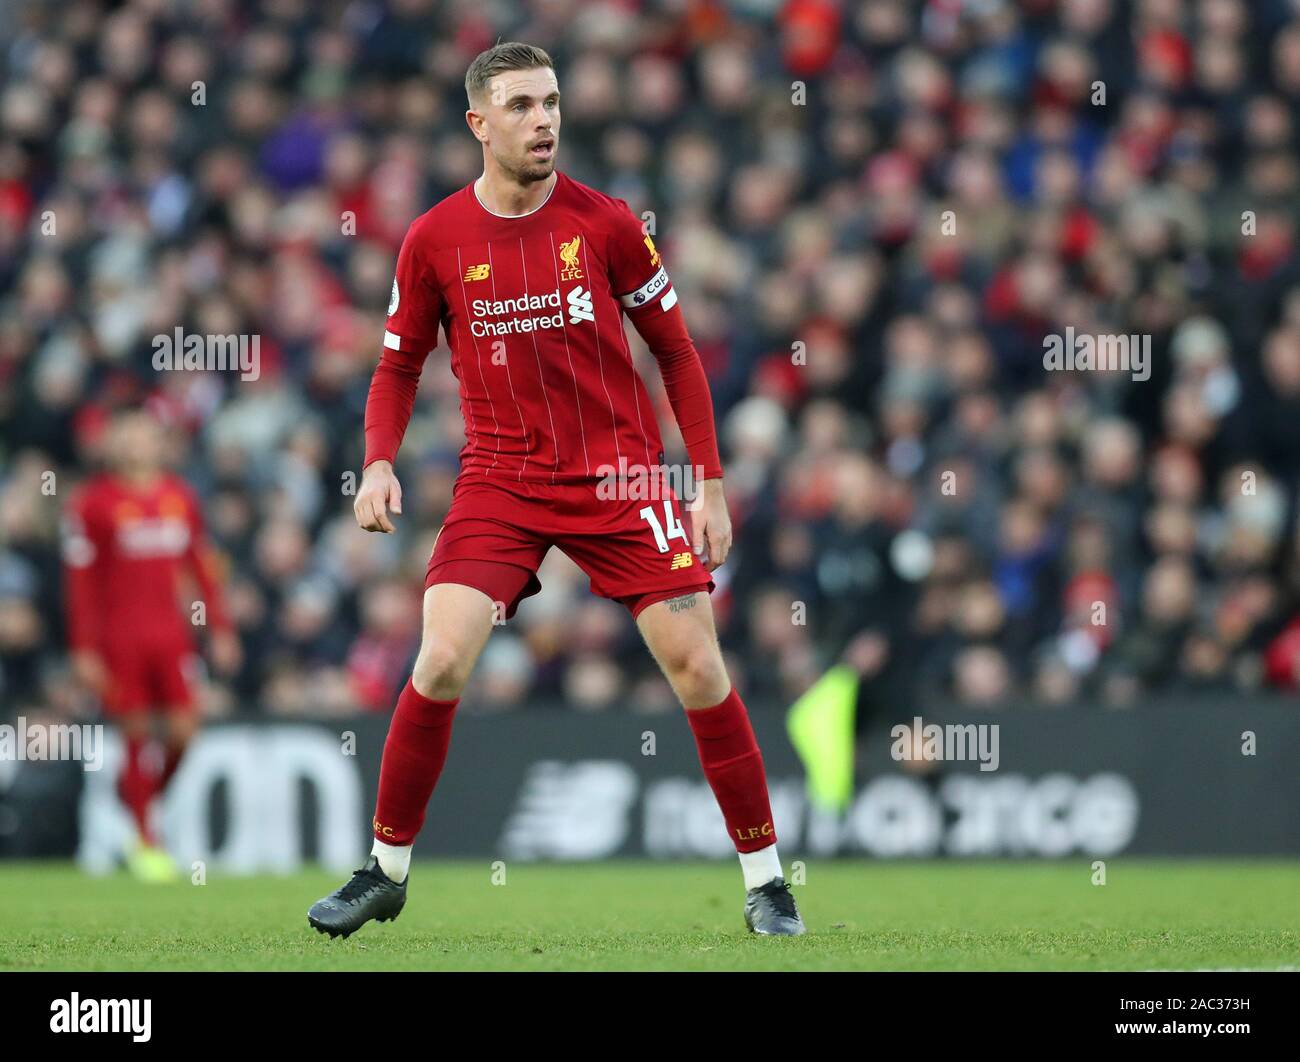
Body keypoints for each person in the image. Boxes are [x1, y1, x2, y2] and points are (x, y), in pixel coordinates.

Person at [308, 42, 803, 937]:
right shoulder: (434, 239)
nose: (545, 120)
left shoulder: (607, 223)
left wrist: (711, 482)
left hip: (620, 474)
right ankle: (385, 869)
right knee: (442, 657)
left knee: (697, 667)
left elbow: (679, 353)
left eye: (552, 102)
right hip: (501, 477)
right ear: (479, 123)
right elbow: (396, 363)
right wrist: (378, 459)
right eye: (524, 105)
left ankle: (767, 881)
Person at [62, 410, 241, 880]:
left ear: (159, 443)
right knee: (137, 734)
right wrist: (83, 648)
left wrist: (219, 627)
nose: (137, 444)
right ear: (114, 445)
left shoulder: (178, 497)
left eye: (145, 435)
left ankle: (136, 799)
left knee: (184, 732)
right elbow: (80, 583)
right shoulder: (92, 504)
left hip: (172, 636)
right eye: (128, 436)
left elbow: (200, 565)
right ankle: (145, 841)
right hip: (120, 639)